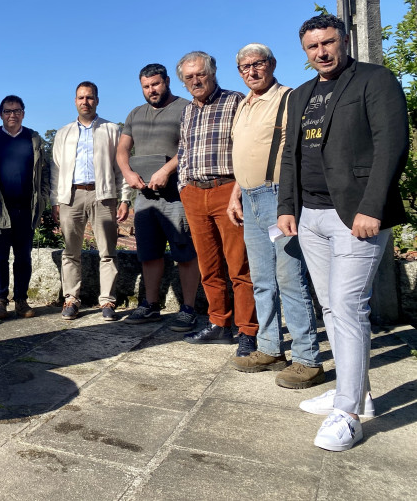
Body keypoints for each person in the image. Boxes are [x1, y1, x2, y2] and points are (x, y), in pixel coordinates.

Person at [277, 13, 409, 452]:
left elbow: (393, 143)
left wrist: (372, 207)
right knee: (332, 308)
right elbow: (292, 155)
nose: (322, 53)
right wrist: (286, 208)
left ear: (344, 41)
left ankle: (348, 414)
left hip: (355, 215)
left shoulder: (375, 80)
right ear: (305, 51)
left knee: (349, 307)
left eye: (328, 43)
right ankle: (359, 395)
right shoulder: (300, 96)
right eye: (313, 47)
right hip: (311, 216)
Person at [226, 44, 324, 388]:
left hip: (277, 195)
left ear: (272, 64)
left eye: (258, 64)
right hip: (250, 196)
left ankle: (307, 358)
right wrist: (236, 194)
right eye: (244, 67)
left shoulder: (288, 97)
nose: (251, 71)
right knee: (262, 278)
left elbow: (297, 151)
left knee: (290, 278)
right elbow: (245, 152)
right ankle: (269, 348)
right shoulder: (243, 104)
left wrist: (288, 201)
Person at [176, 52, 258, 357]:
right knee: (208, 266)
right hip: (195, 193)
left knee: (240, 265)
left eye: (201, 75)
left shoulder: (236, 102)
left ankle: (248, 330)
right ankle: (218, 323)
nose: (196, 81)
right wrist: (184, 186)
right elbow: (183, 150)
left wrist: (239, 187)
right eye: (189, 77)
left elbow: (247, 146)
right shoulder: (187, 112)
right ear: (183, 82)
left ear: (213, 74)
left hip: (227, 190)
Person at [117, 63, 200, 332]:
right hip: (144, 196)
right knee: (149, 254)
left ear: (166, 82)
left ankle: (188, 308)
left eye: (156, 84)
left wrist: (166, 169)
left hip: (177, 195)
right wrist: (128, 173)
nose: (151, 90)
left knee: (185, 253)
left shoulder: (186, 107)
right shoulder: (135, 114)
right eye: (146, 86)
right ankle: (151, 305)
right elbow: (122, 150)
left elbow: (191, 146)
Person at [51, 81, 130, 320]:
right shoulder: (63, 132)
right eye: (81, 98)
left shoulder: (111, 129)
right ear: (75, 101)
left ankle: (107, 301)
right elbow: (55, 169)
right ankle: (71, 299)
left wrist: (125, 198)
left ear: (97, 100)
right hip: (71, 196)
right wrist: (56, 200)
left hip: (102, 195)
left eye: (90, 97)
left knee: (107, 251)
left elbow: (121, 167)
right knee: (70, 251)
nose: (85, 102)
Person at [0, 95, 51, 320]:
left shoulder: (33, 139)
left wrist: (43, 199)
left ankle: (21, 301)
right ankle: (0, 302)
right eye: (8, 111)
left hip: (26, 210)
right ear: (1, 115)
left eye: (16, 111)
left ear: (23, 113)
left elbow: (44, 173)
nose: (12, 115)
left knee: (23, 258)